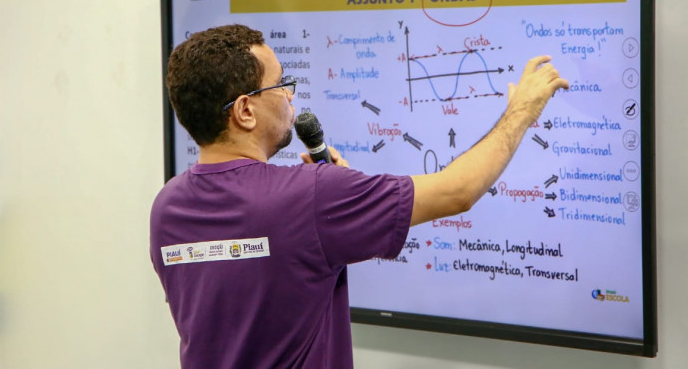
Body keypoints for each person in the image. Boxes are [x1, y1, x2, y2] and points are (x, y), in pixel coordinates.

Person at [150, 24, 568, 369]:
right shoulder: (311, 195)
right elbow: (458, 191)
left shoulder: (167, 208)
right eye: (279, 85)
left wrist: (330, 208)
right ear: (245, 110)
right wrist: (522, 110)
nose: (289, 95)